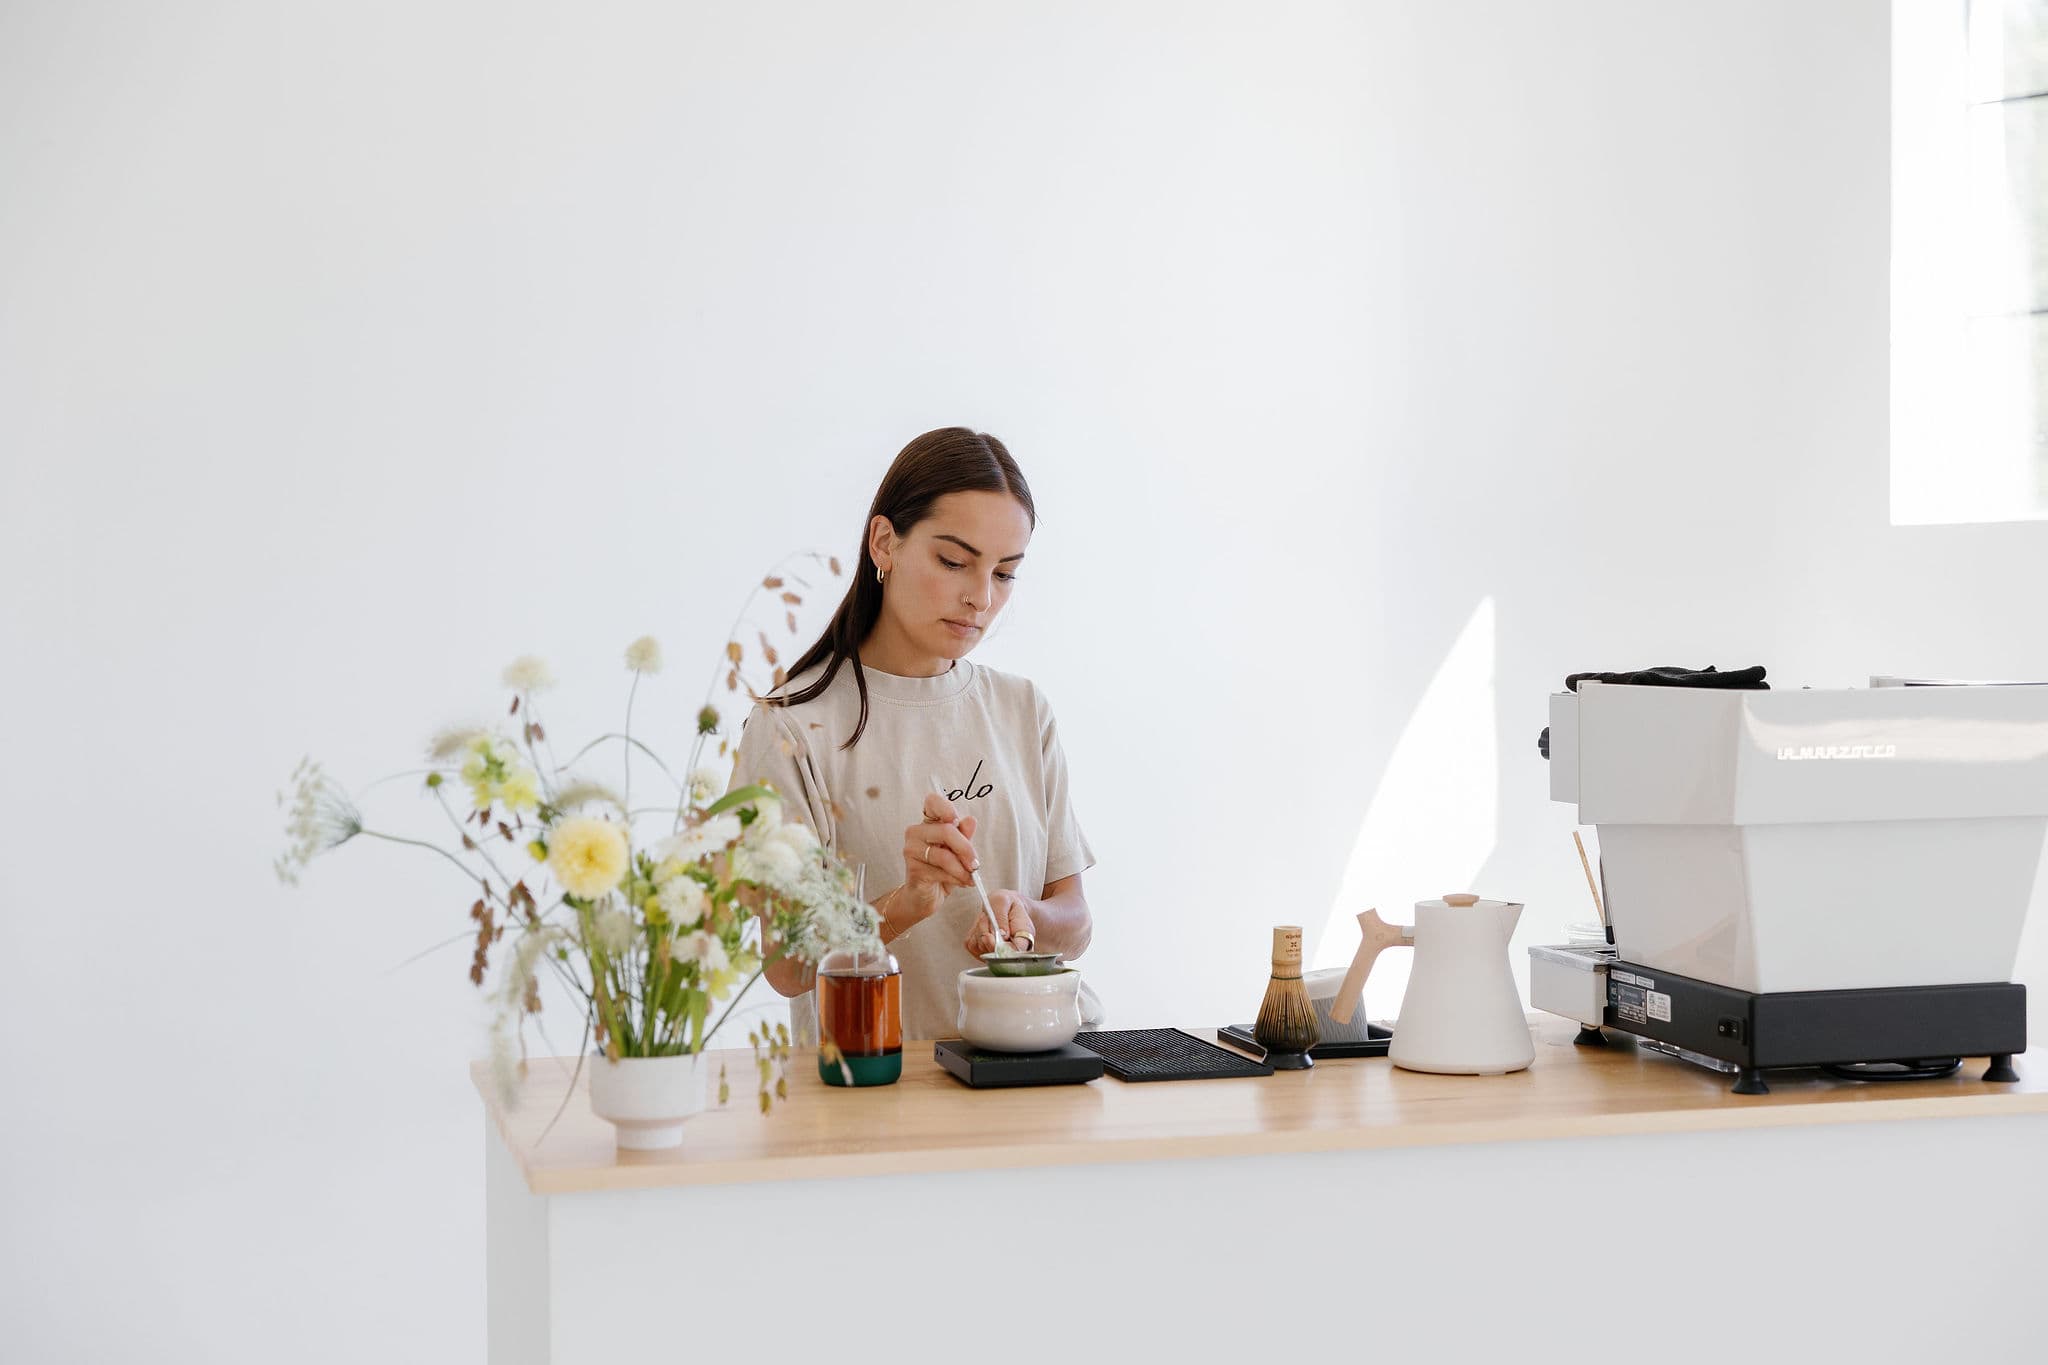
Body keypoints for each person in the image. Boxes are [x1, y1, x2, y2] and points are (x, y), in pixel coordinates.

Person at [732, 427, 1097, 1044]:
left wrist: (1026, 917)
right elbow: (787, 966)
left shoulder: (1023, 709)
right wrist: (907, 902)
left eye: (1005, 573)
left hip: (1041, 1067)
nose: (980, 597)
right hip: (881, 1079)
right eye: (954, 562)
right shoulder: (791, 728)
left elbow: (1077, 921)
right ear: (885, 543)